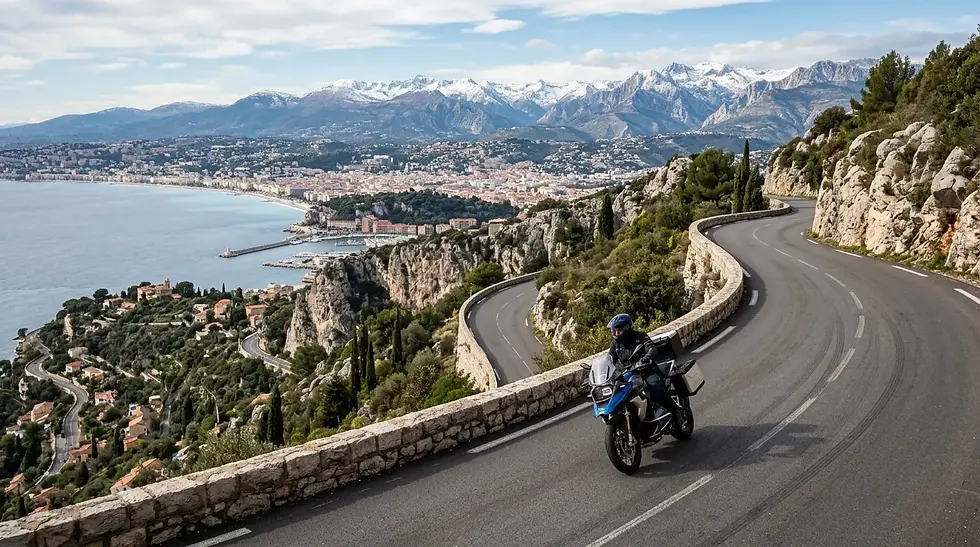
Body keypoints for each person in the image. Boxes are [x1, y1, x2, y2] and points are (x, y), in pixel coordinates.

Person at [607, 313, 682, 431]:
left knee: (654, 389)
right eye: (615, 330)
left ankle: (676, 412)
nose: (617, 333)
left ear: (627, 328)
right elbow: (609, 359)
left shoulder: (639, 336)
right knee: (618, 394)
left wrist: (647, 358)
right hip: (630, 374)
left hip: (647, 370)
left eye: (619, 330)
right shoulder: (615, 345)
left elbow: (651, 347)